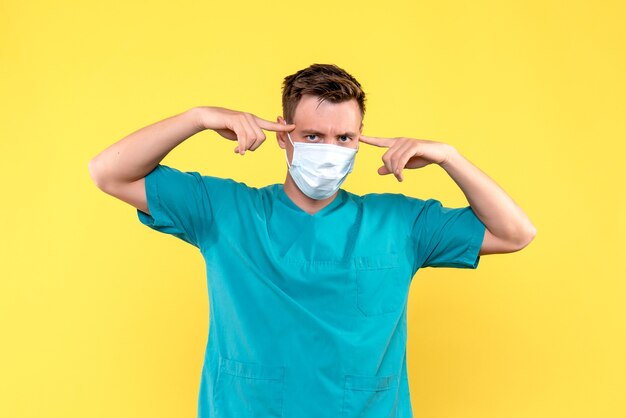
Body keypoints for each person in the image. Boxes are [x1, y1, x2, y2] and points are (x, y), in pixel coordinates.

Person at [88, 63, 536, 418]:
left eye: (344, 138)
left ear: (361, 139)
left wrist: (449, 158)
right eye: (312, 136)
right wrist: (197, 118)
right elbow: (108, 172)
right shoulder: (224, 211)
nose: (329, 150)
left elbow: (515, 232)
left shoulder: (401, 223)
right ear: (284, 134)